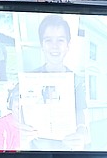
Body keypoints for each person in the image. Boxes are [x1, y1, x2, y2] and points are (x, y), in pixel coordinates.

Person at [27, 15, 88, 150]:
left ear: (68, 45)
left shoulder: (77, 80)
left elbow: (80, 115)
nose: (54, 46)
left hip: (66, 152)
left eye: (60, 40)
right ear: (41, 45)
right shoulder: (30, 79)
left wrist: (81, 134)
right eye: (48, 40)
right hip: (35, 154)